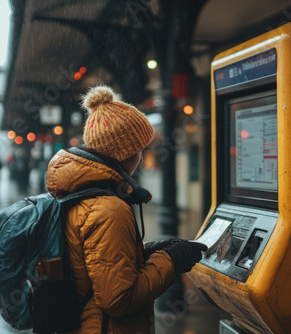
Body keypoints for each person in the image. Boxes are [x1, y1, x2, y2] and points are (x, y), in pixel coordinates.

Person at [46, 85, 207, 334]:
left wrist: (149, 251)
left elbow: (96, 263)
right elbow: (119, 299)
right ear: (124, 152)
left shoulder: (82, 195)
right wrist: (171, 261)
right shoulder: (109, 209)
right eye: (140, 149)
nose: (142, 158)